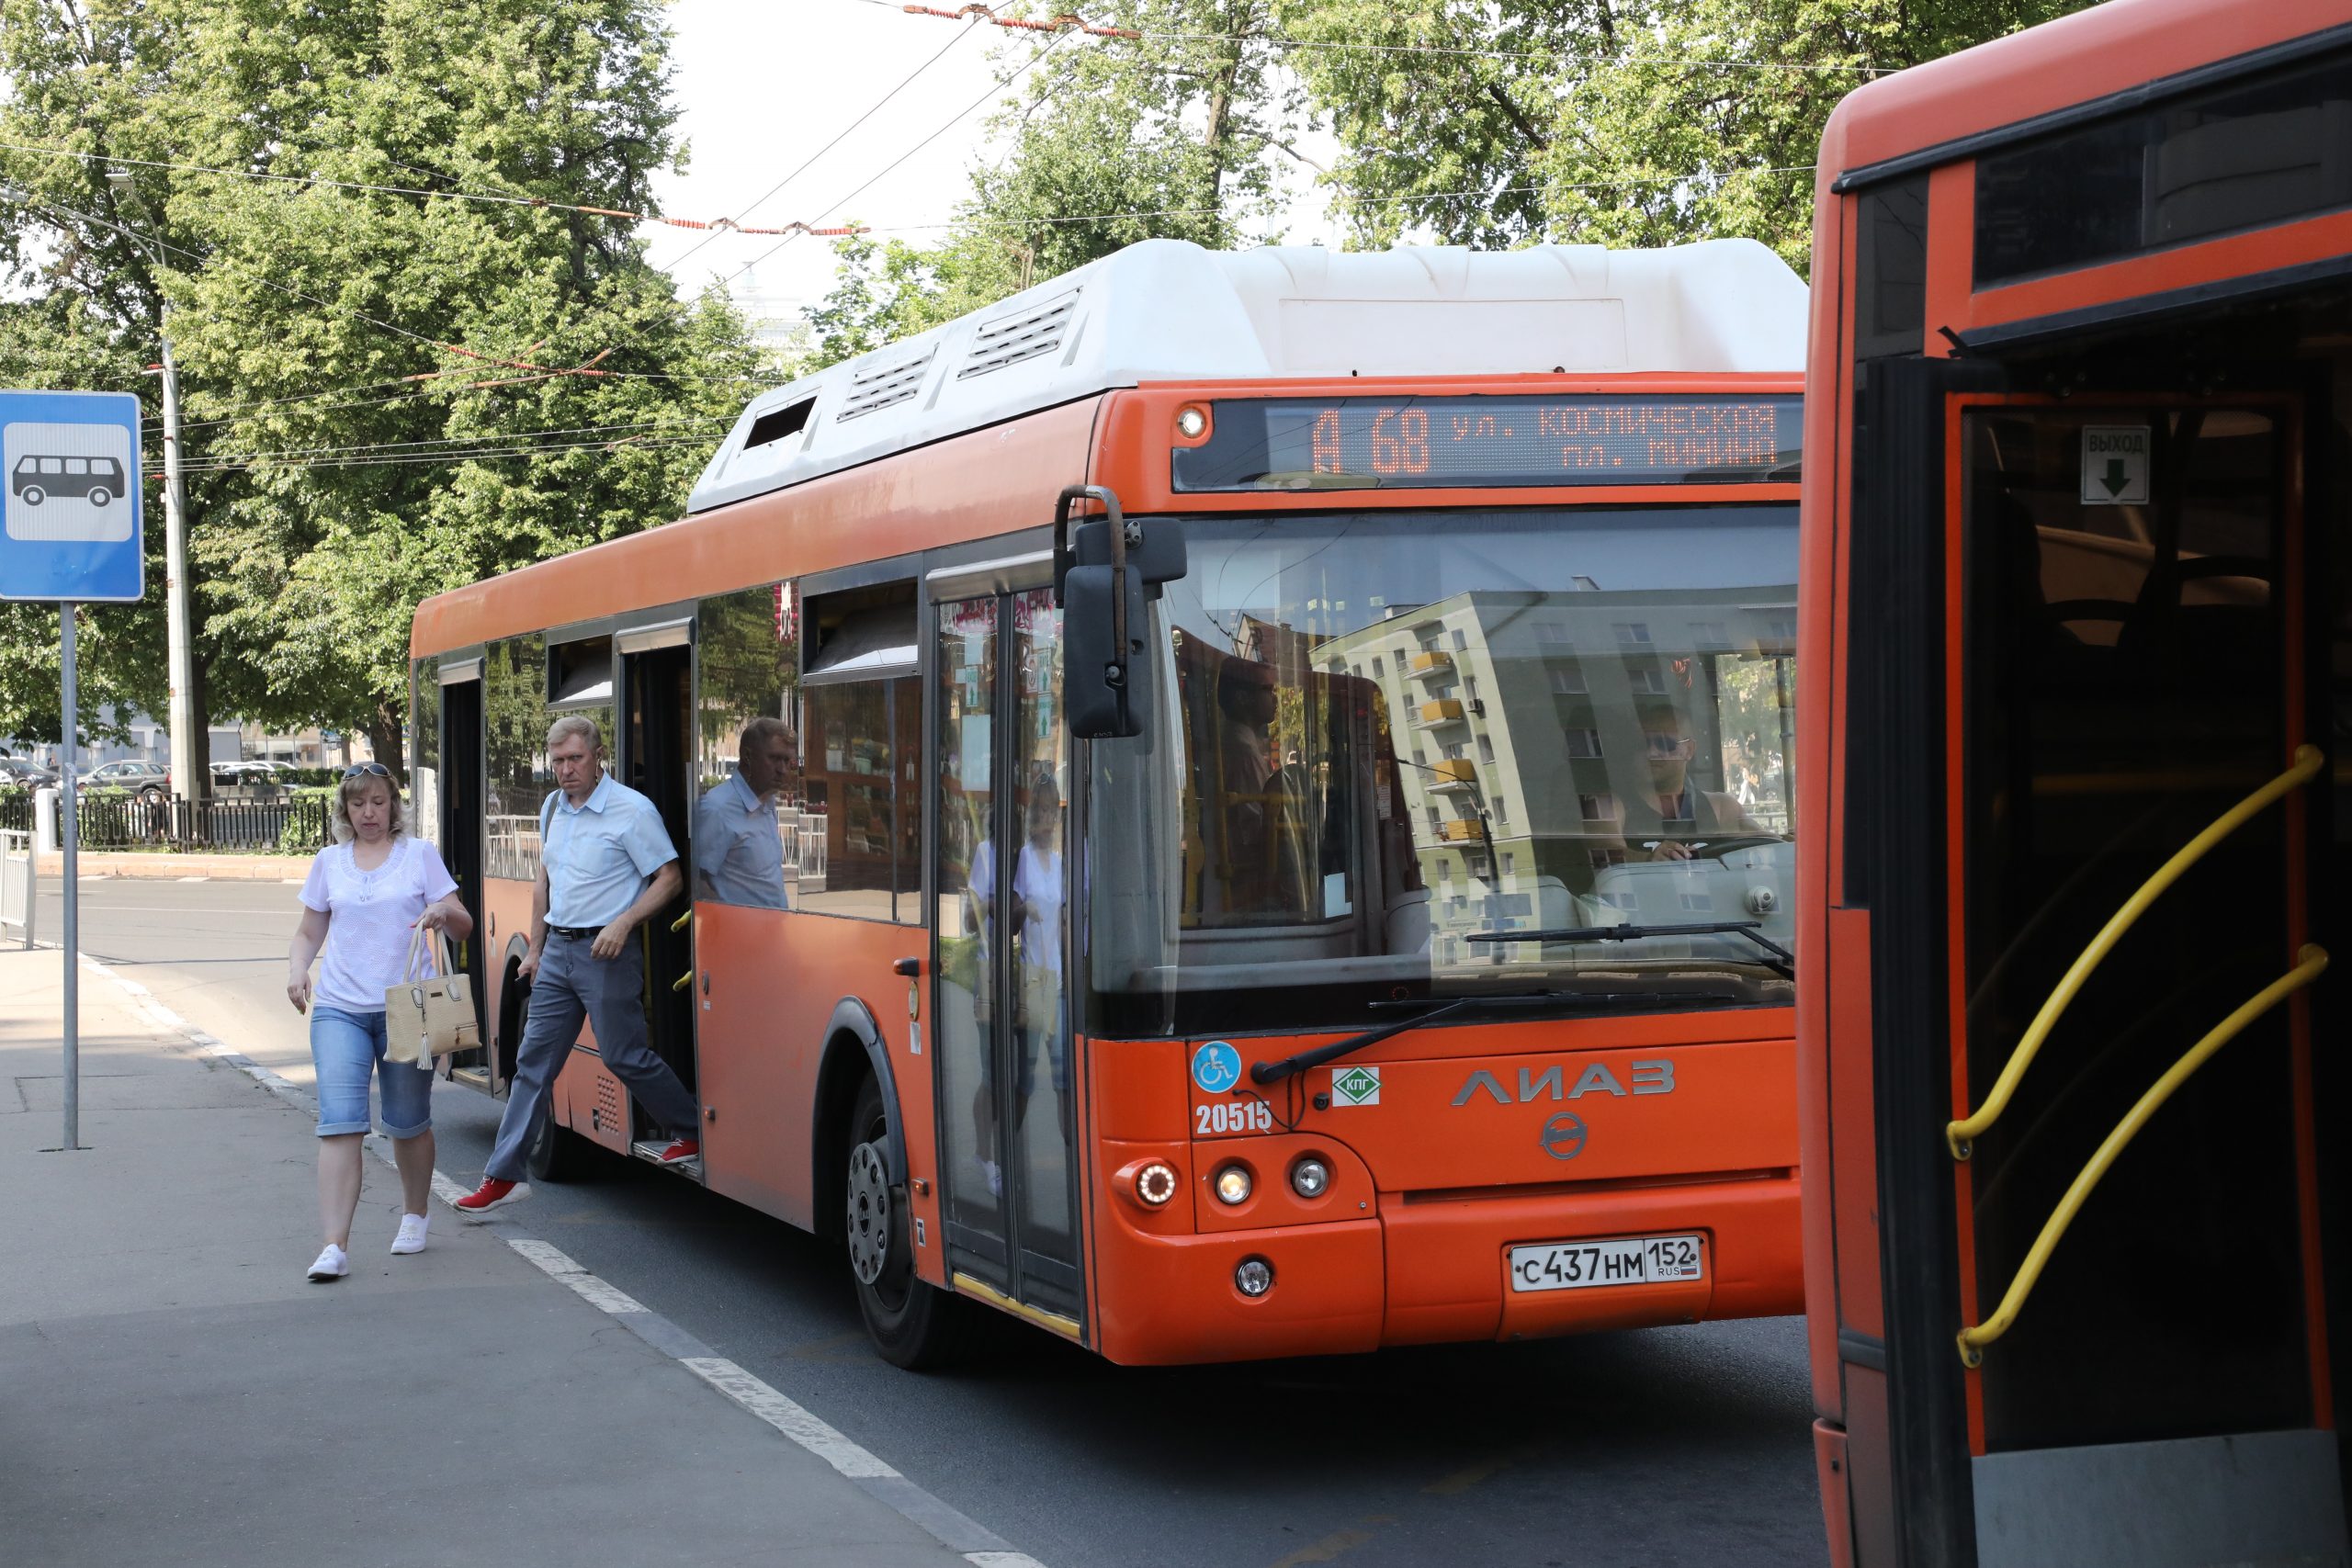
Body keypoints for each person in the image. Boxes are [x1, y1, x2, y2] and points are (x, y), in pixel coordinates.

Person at [456, 716, 698, 1213]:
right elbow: (545, 884)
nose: (566, 770)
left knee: (623, 1055)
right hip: (558, 954)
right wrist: (538, 951)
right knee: (531, 1066)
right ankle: (502, 1175)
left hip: (606, 954)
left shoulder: (633, 811)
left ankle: (691, 1128)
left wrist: (624, 923)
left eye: (575, 759)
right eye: (558, 761)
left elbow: (670, 879)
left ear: (598, 756)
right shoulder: (552, 808)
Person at [286, 762, 472, 1282]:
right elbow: (308, 931)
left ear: (394, 806)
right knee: (340, 1123)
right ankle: (334, 1247)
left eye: (378, 802)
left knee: (408, 1123)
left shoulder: (419, 857)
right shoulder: (329, 862)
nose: (369, 813)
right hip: (339, 1008)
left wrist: (442, 913)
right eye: (358, 803)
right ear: (345, 809)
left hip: (406, 1007)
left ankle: (414, 1214)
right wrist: (298, 969)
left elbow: (463, 923)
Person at [967, 774, 1070, 1195]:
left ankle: (1074, 1160)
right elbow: (992, 918)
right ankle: (996, 1154)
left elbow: (1064, 922)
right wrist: (1019, 908)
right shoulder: (1017, 859)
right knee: (1016, 1079)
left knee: (1065, 1076)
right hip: (1024, 981)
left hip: (1058, 982)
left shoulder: (1061, 861)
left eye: (1052, 810)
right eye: (1040, 810)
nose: (1046, 817)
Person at [1617, 702, 1767, 860]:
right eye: (1643, 744)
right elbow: (1603, 852)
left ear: (1689, 750)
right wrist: (1647, 859)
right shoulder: (1612, 806)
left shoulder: (1722, 807)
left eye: (1665, 743)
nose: (1652, 752)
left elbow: (1769, 842)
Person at [693, 715, 795, 909]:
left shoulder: (766, 800)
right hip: (739, 932)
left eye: (786, 760)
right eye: (774, 758)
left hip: (772, 930)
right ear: (748, 756)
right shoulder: (718, 807)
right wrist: (726, 923)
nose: (782, 769)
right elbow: (698, 881)